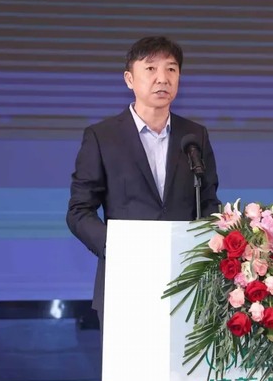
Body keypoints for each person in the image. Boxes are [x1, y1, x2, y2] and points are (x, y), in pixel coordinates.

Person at [66, 36, 221, 328]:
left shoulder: (194, 136)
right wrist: (116, 247)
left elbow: (209, 201)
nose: (162, 78)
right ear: (129, 79)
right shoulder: (102, 137)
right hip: (126, 281)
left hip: (187, 284)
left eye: (171, 69)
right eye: (150, 69)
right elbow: (79, 211)